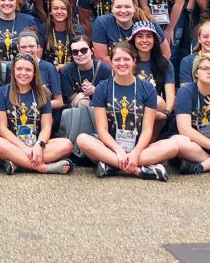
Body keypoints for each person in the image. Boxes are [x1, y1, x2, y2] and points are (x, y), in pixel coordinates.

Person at [76, 43, 178, 181]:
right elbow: (102, 130)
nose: (122, 63)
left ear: (134, 61)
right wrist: (118, 151)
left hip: (140, 147)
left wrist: (135, 153)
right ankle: (138, 170)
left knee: (173, 146)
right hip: (111, 147)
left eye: (126, 59)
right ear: (111, 62)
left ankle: (113, 165)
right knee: (82, 140)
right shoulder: (102, 88)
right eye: (117, 60)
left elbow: (148, 129)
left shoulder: (147, 88)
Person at [0, 53, 74, 175]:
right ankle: (42, 168)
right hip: (12, 145)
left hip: (35, 144)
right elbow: (2, 129)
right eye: (19, 69)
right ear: (13, 71)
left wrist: (39, 146)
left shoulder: (42, 93)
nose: (23, 73)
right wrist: (23, 148)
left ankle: (18, 163)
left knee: (67, 145)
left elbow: (46, 126)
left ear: (34, 73)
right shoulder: (2, 93)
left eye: (28, 69)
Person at [92, 0, 170, 63]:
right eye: (118, 7)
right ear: (112, 9)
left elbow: (166, 54)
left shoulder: (148, 22)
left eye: (127, 7)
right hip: (116, 70)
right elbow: (101, 58)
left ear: (134, 8)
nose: (123, 11)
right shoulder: (101, 23)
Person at [60, 35, 113, 108]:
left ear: (92, 51)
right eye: (75, 52)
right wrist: (84, 93)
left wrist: (95, 90)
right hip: (76, 108)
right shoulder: (66, 70)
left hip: (101, 105)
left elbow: (109, 94)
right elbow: (69, 97)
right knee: (83, 100)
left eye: (84, 50)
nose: (80, 54)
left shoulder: (104, 69)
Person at [43, 0, 83, 68]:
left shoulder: (77, 30)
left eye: (63, 9)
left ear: (68, 11)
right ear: (50, 12)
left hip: (72, 72)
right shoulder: (43, 29)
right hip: (49, 73)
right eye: (55, 8)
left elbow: (81, 56)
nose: (59, 12)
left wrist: (64, 67)